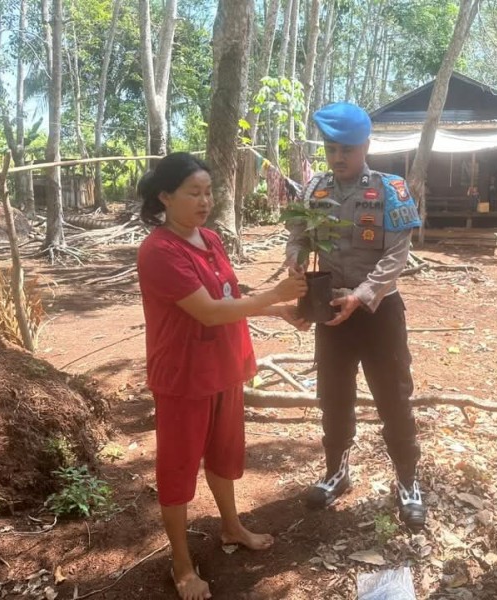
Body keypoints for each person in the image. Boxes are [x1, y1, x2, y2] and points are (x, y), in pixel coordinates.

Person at [136, 152, 308, 600]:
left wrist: (280, 310)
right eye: (193, 192)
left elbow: (229, 295)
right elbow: (209, 312)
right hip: (183, 377)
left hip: (225, 368)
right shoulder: (159, 251)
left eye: (209, 191)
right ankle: (180, 564)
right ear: (165, 196)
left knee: (222, 454)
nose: (204, 200)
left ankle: (231, 527)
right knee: (177, 469)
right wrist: (274, 293)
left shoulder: (210, 239)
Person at [285, 102, 427, 530]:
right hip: (331, 310)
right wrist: (294, 262)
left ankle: (407, 482)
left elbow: (397, 254)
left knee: (394, 399)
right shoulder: (314, 191)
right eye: (331, 148)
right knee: (333, 395)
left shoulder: (391, 189)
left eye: (347, 148)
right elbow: (297, 237)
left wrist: (363, 295)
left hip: (378, 312)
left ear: (366, 145)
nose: (338, 157)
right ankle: (336, 472)